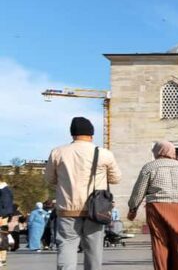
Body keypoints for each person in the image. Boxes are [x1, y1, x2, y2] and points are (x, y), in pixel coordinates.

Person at [45, 116, 121, 270]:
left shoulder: (58, 152)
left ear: (72, 134)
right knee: (93, 250)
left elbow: (49, 179)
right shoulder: (104, 153)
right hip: (96, 210)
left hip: (67, 209)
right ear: (91, 134)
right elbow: (116, 179)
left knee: (66, 246)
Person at [128, 141, 178, 270]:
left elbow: (139, 191)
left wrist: (133, 208)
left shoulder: (149, 167)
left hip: (157, 207)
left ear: (158, 151)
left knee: (160, 242)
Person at [0, 179, 12, 266]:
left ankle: (1, 258)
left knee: (2, 236)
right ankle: (2, 259)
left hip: (1, 215)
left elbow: (5, 204)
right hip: (4, 215)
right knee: (3, 235)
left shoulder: (3, 191)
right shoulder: (6, 190)